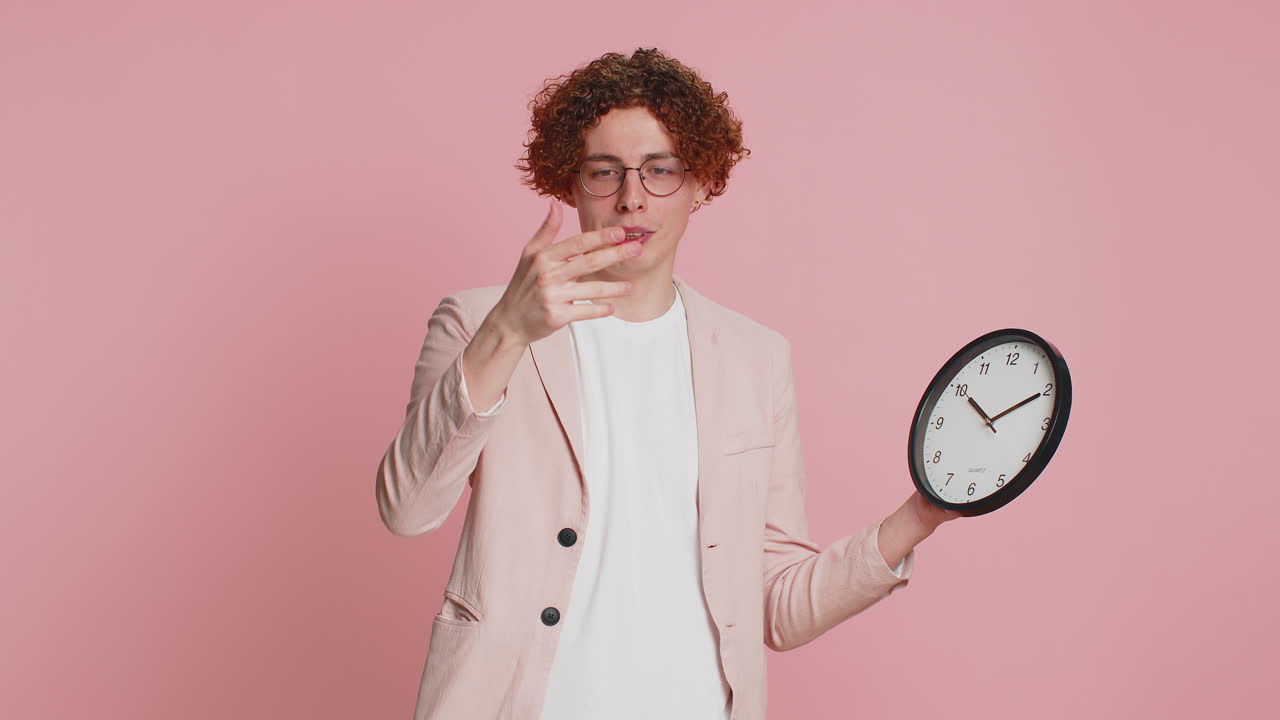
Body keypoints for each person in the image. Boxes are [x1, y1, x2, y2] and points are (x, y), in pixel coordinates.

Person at [376, 47, 961, 720]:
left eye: (660, 170)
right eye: (606, 171)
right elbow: (407, 508)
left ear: (700, 183)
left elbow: (778, 606)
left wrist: (921, 515)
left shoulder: (756, 359)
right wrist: (508, 332)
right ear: (570, 182)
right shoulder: (478, 321)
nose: (632, 197)